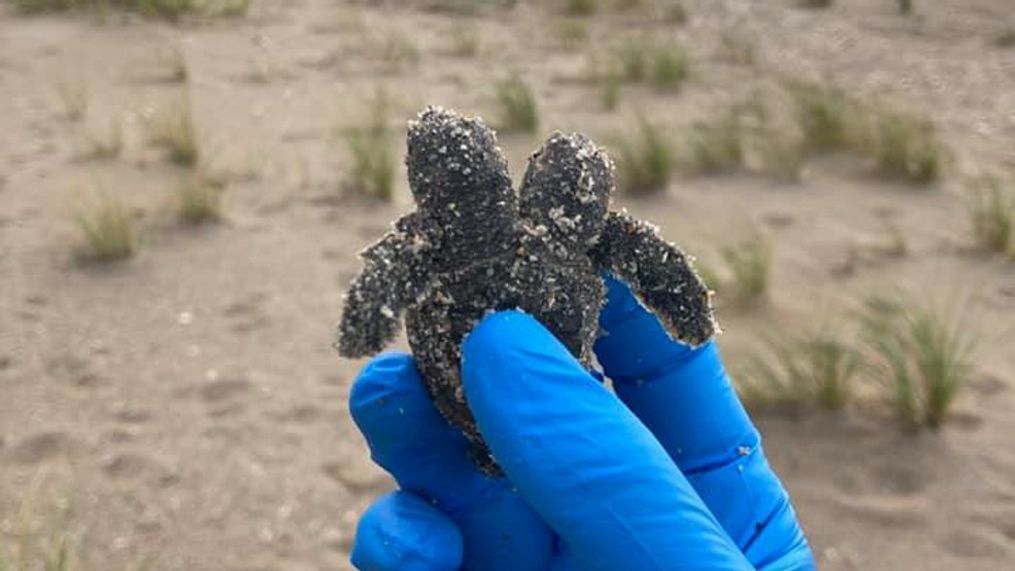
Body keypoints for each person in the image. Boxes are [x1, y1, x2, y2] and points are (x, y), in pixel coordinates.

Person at [346, 277, 816, 570]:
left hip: (467, 396)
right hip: (518, 380)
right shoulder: (550, 232)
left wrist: (359, 328)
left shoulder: (422, 245)